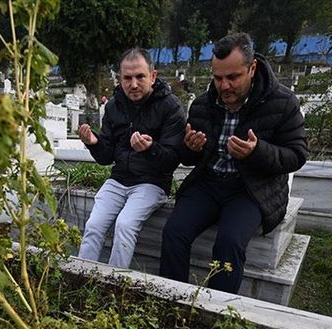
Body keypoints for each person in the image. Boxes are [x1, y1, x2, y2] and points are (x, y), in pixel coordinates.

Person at [159, 33, 307, 293]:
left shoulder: (282, 103)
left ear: (252, 68)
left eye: (233, 77)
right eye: (217, 78)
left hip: (251, 188)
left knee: (228, 243)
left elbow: (297, 155)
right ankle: (174, 303)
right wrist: (190, 148)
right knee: (173, 232)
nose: (224, 86)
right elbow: (188, 158)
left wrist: (256, 151)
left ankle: (215, 316)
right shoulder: (203, 105)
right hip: (208, 182)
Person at [76, 48, 186, 269]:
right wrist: (94, 143)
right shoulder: (114, 105)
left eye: (140, 77)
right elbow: (107, 157)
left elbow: (174, 158)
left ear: (153, 76)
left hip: (152, 182)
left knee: (125, 225)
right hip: (119, 179)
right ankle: (79, 277)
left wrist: (150, 148)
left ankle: (115, 285)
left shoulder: (170, 106)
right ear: (120, 78)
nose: (133, 84)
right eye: (127, 78)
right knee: (94, 225)